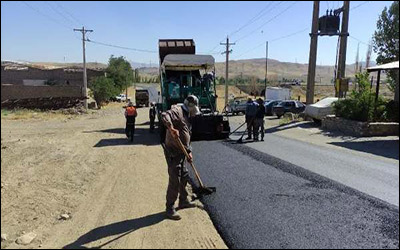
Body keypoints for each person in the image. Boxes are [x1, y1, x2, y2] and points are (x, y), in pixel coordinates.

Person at [161, 95, 200, 220]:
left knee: (184, 176)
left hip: (182, 152)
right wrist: (171, 128)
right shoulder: (177, 111)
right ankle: (170, 208)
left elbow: (187, 136)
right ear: (190, 106)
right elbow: (164, 115)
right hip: (173, 152)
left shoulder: (187, 116)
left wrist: (189, 151)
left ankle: (183, 200)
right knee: (175, 179)